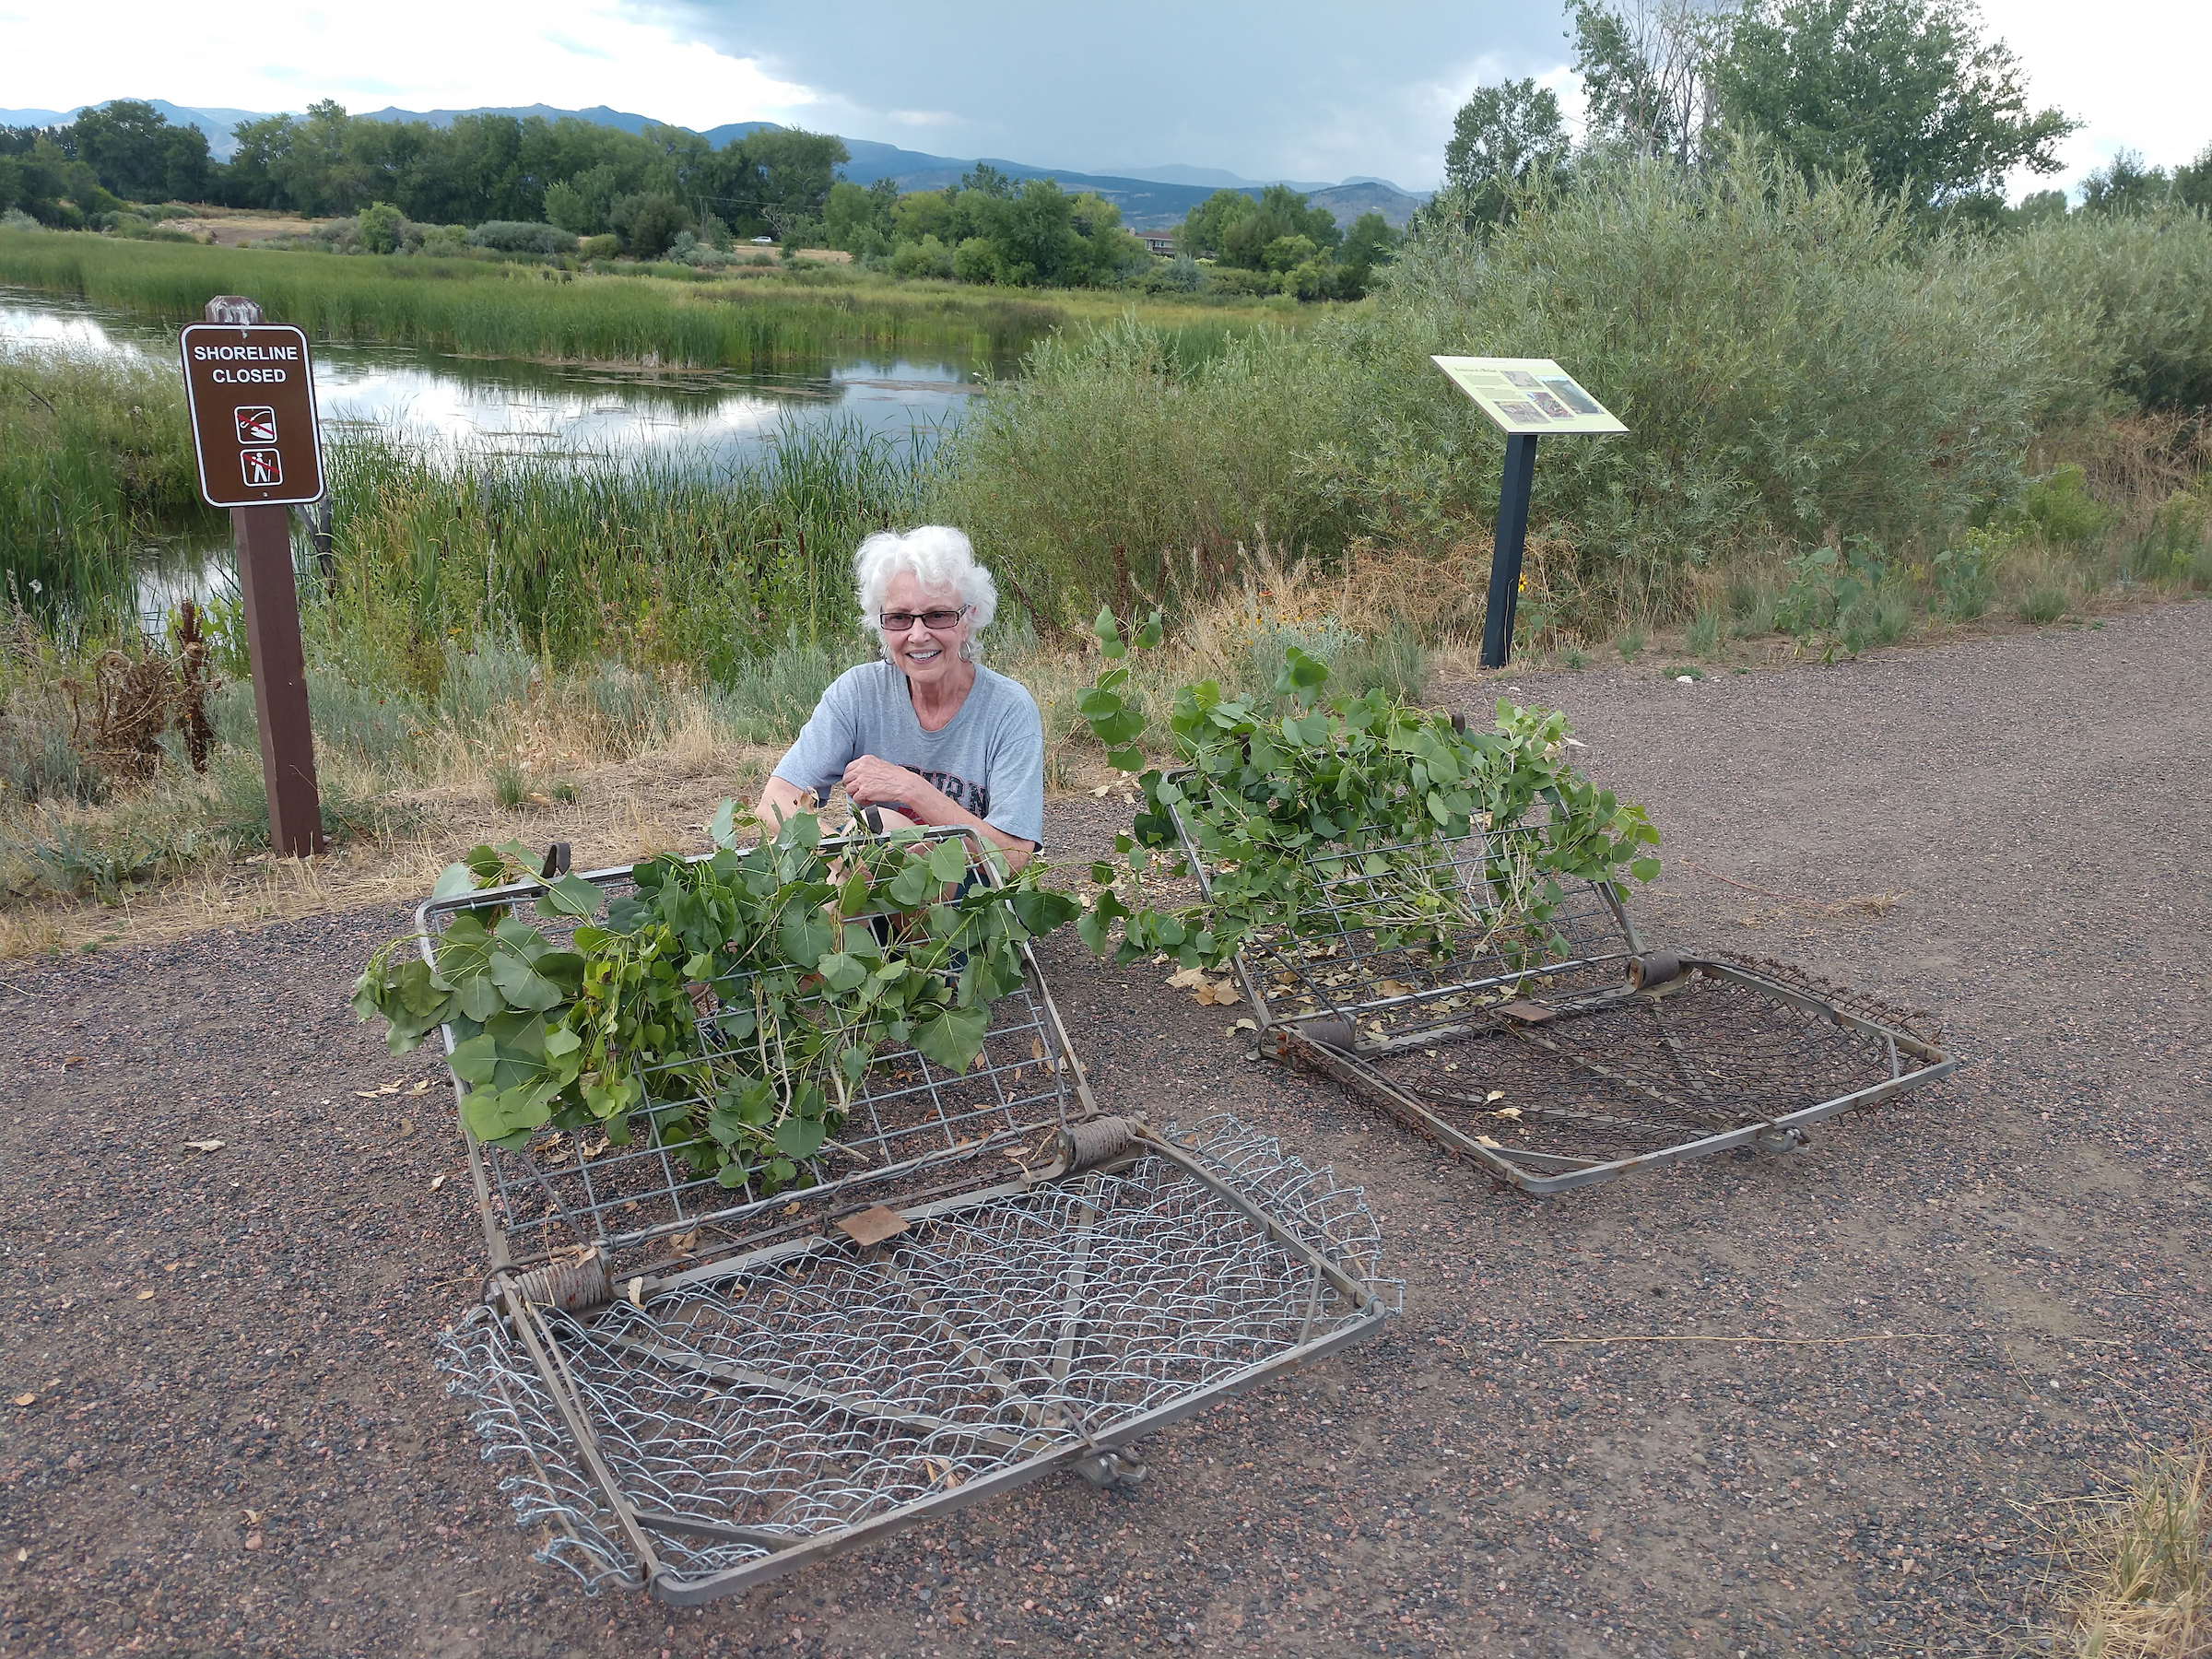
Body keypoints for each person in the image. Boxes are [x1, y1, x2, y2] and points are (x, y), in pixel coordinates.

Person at [755, 526, 1043, 871]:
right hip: (866, 886)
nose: (918, 635)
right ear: (882, 625)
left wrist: (912, 789)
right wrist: (839, 855)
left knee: (895, 836)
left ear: (969, 620)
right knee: (800, 849)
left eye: (938, 615)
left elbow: (1013, 858)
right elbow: (775, 801)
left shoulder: (1008, 708)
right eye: (899, 618)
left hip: (973, 905)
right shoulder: (859, 692)